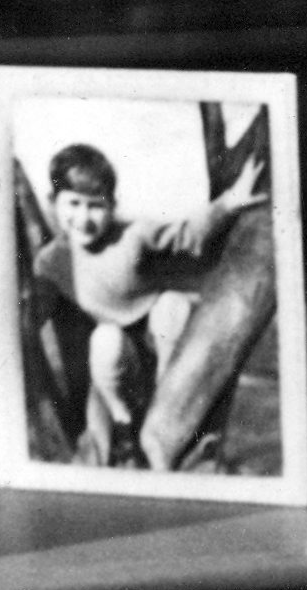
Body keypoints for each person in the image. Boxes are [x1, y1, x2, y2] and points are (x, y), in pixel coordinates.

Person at [32, 139, 264, 468]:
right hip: (118, 349)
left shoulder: (133, 235)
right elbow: (36, 309)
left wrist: (229, 203)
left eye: (95, 205)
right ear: (53, 202)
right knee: (104, 339)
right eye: (73, 203)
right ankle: (124, 425)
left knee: (172, 305)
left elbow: (187, 234)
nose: (84, 218)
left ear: (112, 206)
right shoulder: (52, 261)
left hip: (157, 335)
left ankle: (168, 403)